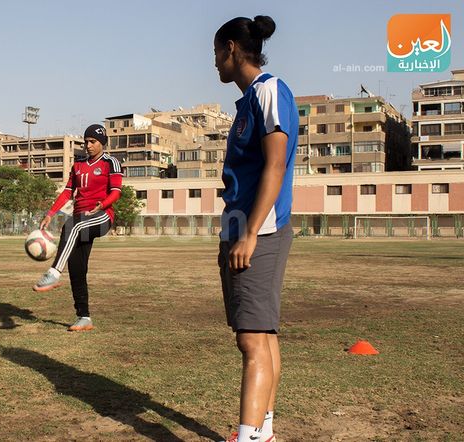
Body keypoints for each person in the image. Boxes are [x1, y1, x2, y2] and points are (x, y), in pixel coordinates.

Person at [213, 15, 297, 442]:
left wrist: (249, 233)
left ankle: (248, 437)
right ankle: (262, 431)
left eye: (215, 54)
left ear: (231, 48)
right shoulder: (247, 102)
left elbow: (276, 165)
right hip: (240, 226)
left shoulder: (269, 91)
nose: (214, 64)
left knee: (251, 340)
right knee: (261, 335)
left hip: (258, 232)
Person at [32, 124, 122, 332]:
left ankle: (54, 273)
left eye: (93, 142)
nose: (88, 146)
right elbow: (67, 193)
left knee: (72, 225)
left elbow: (116, 192)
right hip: (80, 219)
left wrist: (103, 204)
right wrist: (50, 214)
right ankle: (84, 317)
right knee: (77, 268)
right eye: (86, 142)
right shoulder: (78, 165)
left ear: (102, 143)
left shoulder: (111, 163)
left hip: (101, 216)